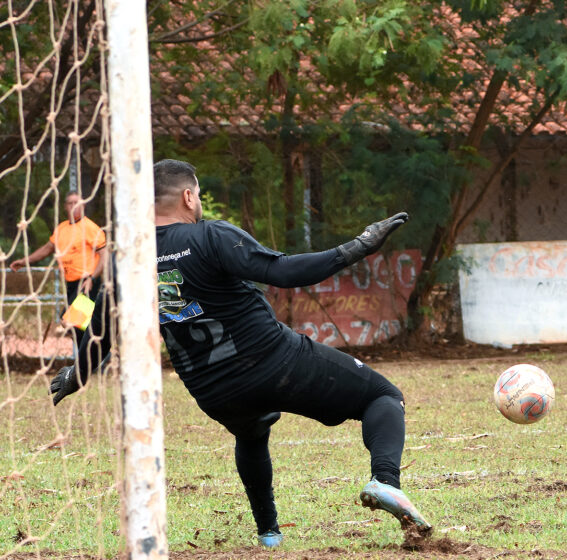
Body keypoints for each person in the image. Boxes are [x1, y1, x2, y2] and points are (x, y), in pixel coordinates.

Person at [48, 159, 432, 547]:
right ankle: (385, 480)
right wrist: (358, 247)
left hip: (212, 391)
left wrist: (74, 376)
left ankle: (268, 534)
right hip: (273, 362)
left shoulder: (124, 261)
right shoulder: (210, 236)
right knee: (382, 395)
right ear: (187, 196)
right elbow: (284, 272)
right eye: (196, 195)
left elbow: (101, 331)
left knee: (250, 433)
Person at [9, 191, 106, 342]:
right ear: (65, 207)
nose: (74, 206)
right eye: (71, 203)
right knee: (79, 326)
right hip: (71, 284)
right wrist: (24, 261)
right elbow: (47, 249)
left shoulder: (91, 228)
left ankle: (94, 356)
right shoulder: (61, 228)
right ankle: (93, 357)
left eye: (77, 203)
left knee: (70, 321)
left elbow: (104, 256)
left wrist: (92, 278)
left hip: (87, 283)